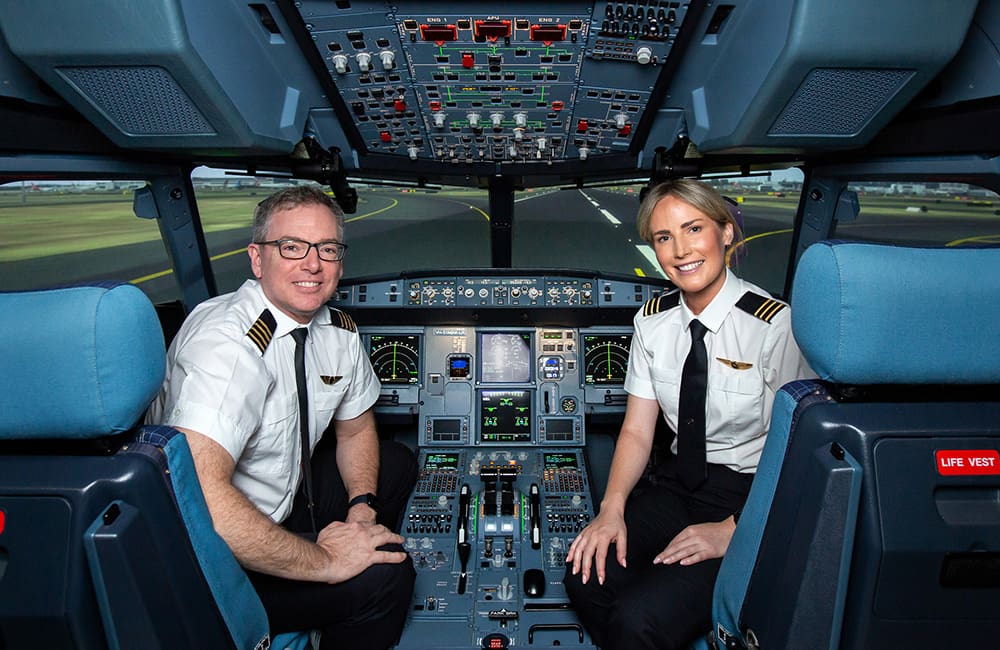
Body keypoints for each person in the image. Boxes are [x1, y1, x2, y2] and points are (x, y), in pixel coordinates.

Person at [147, 185, 417, 650]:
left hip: (285, 499)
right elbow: (203, 501)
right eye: (291, 247)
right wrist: (326, 561)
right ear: (257, 259)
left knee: (396, 463)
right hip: (214, 552)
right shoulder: (228, 349)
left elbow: (355, 430)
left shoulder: (338, 333)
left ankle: (334, 590)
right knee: (386, 572)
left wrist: (360, 510)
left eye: (327, 249)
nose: (312, 265)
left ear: (340, 260)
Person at [563, 179, 813, 649]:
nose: (680, 250)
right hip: (678, 486)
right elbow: (637, 431)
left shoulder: (774, 326)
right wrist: (610, 509)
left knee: (640, 620)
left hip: (751, 497)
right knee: (584, 577)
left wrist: (734, 530)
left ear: (725, 233)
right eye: (663, 237)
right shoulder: (652, 322)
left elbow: (801, 453)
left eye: (693, 229)